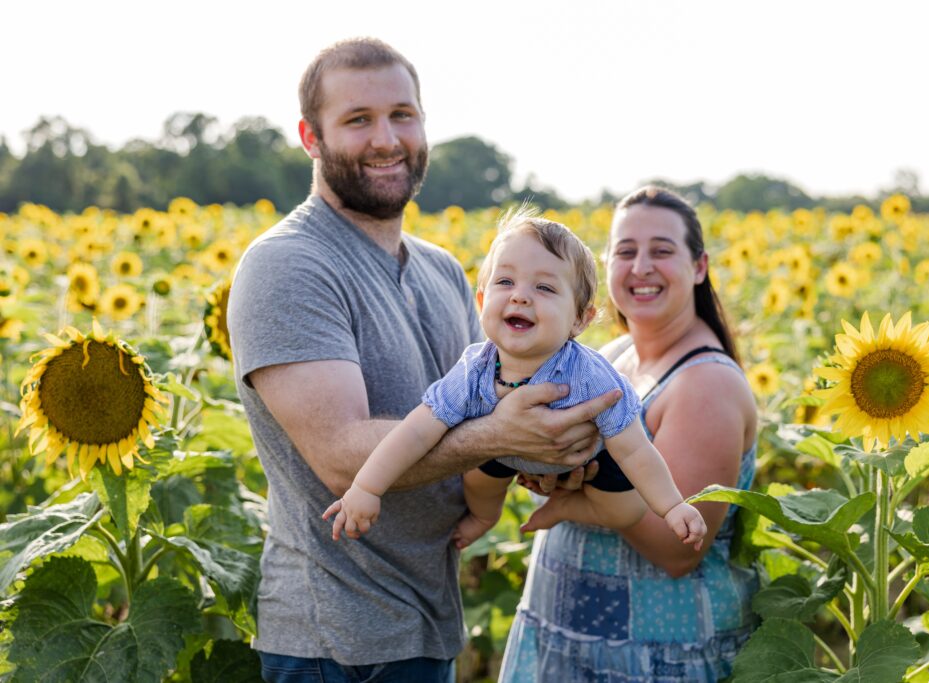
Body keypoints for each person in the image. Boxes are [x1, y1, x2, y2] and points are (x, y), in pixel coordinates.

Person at [227, 38, 621, 682]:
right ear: (311, 136)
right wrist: (504, 436)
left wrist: (551, 456)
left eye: (402, 115)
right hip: (337, 640)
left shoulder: (441, 269)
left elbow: (494, 409)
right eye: (358, 120)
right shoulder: (288, 265)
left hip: (426, 621)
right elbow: (339, 458)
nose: (387, 139)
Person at [322, 209, 707, 550]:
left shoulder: (591, 377)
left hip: (587, 462)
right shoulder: (475, 369)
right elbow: (416, 432)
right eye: (505, 282)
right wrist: (367, 488)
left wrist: (672, 505)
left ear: (580, 320)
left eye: (544, 287)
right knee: (479, 482)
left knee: (624, 508)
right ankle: (486, 520)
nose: (520, 297)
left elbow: (636, 450)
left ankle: (568, 507)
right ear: (480, 300)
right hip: (502, 453)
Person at [499, 186, 761, 683]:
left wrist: (576, 492)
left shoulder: (705, 382)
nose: (640, 266)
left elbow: (678, 547)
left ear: (699, 267)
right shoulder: (615, 354)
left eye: (661, 251)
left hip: (653, 657)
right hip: (575, 642)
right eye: (625, 251)